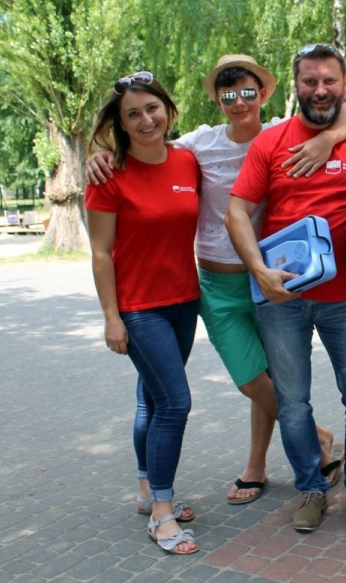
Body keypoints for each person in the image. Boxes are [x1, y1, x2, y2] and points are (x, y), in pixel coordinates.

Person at [86, 54, 346, 505]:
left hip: (271, 277)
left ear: (264, 93)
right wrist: (100, 154)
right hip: (217, 284)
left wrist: (329, 137)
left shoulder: (282, 134)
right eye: (228, 94)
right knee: (250, 379)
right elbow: (148, 147)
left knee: (272, 377)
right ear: (217, 100)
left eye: (248, 92)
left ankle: (255, 466)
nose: (239, 102)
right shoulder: (199, 145)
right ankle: (317, 437)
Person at [226, 43, 346, 533]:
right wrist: (259, 271)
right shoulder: (271, 143)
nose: (320, 90)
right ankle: (311, 488)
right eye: (310, 81)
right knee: (293, 404)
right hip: (282, 299)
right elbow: (236, 211)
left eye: (329, 81)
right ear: (297, 86)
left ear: (343, 84)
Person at [86, 71, 202, 555]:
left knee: (152, 402)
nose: (145, 119)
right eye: (132, 114)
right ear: (121, 123)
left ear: (168, 111)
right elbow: (100, 253)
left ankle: (145, 488)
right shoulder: (108, 175)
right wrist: (111, 317)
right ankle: (161, 512)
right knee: (175, 404)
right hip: (139, 309)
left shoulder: (187, 160)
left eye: (152, 108)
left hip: (185, 301)